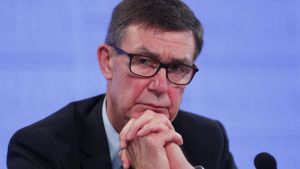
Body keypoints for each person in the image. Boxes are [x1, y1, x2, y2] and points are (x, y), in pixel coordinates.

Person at [7, 0, 237, 169]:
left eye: (177, 68)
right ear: (107, 62)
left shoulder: (209, 139)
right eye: (144, 61)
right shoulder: (41, 148)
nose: (159, 86)